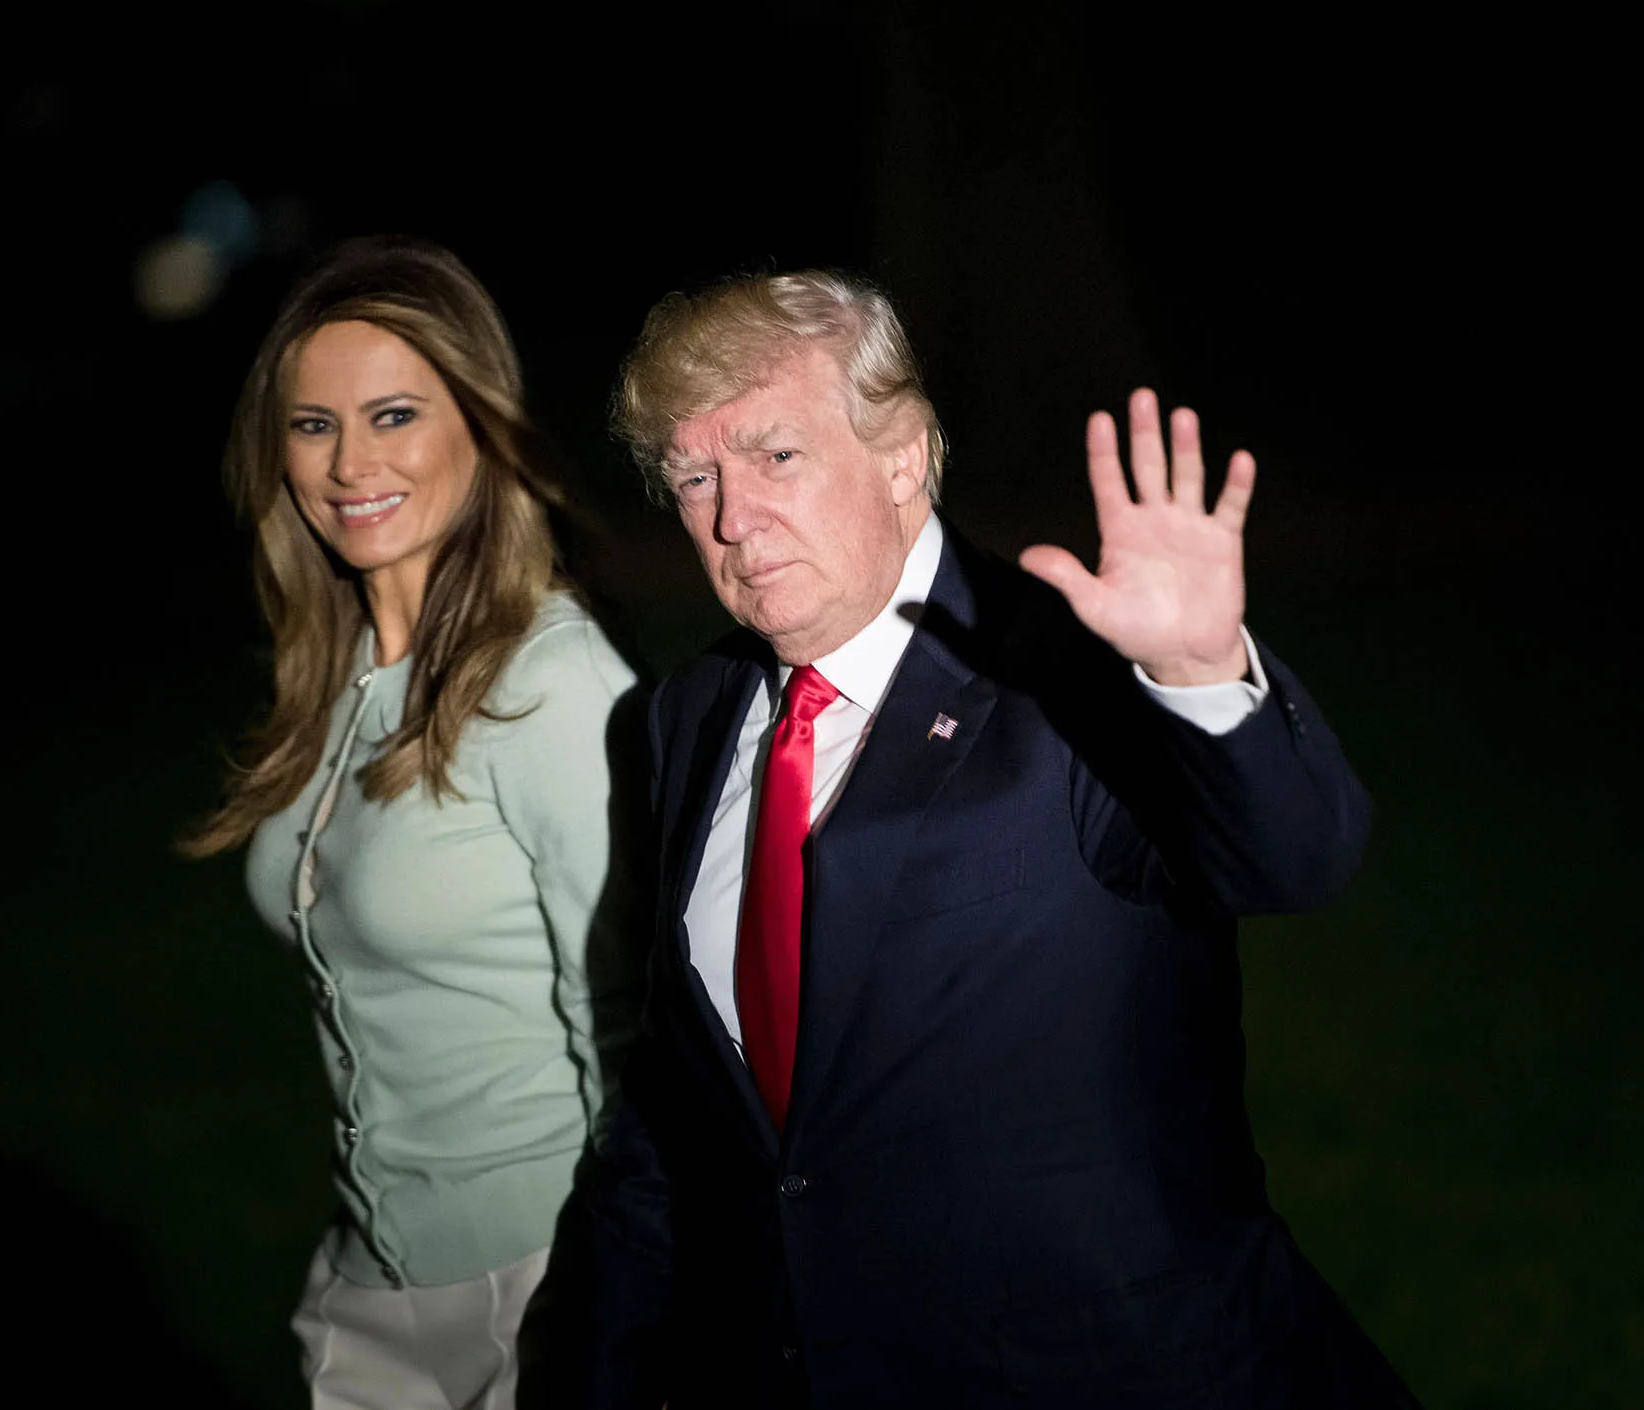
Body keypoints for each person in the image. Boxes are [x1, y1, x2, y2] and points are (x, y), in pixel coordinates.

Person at [551, 270, 1419, 1406]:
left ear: (902, 458)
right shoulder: (691, 713)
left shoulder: (1071, 672)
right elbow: (688, 1104)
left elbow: (1295, 858)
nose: (731, 518)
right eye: (694, 477)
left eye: (776, 456)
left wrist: (1202, 672)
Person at [183, 237, 642, 1410]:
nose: (351, 464)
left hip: (544, 1285)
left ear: (480, 427)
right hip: (367, 1294)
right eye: (314, 425)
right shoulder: (332, 674)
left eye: (394, 415)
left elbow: (640, 1034)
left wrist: (628, 1309)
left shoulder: (553, 685)